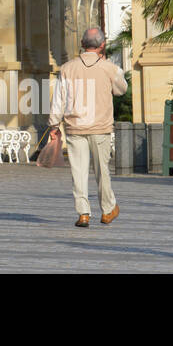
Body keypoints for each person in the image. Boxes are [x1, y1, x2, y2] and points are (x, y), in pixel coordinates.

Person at [49, 26, 128, 227]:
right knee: (102, 170)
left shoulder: (67, 68)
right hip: (100, 127)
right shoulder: (109, 67)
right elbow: (121, 89)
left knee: (78, 171)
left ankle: (83, 213)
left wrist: (53, 124)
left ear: (82, 44)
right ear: (102, 45)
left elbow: (59, 98)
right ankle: (107, 209)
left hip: (75, 126)